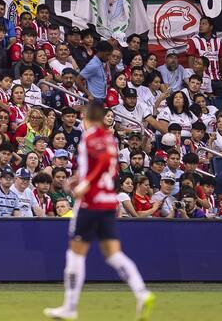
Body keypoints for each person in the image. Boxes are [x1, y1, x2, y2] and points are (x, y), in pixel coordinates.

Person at [43, 101, 155, 321]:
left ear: (87, 116)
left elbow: (101, 164)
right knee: (113, 254)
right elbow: (102, 165)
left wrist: (85, 184)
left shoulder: (90, 136)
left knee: (75, 253)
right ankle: (142, 292)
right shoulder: (110, 139)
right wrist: (77, 179)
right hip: (107, 202)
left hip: (90, 203)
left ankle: (70, 306)